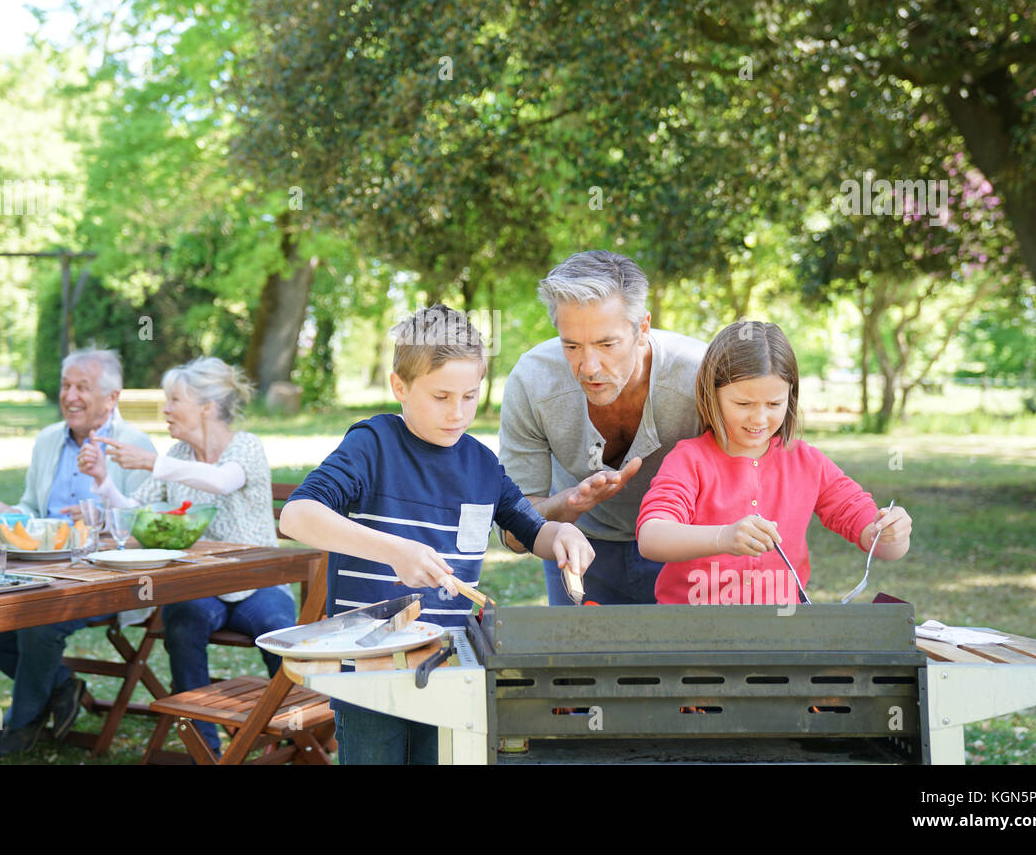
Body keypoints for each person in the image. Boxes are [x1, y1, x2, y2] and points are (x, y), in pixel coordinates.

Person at [280, 305, 595, 765]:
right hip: (370, 673)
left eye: (471, 396)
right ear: (400, 387)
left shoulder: (481, 465)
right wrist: (393, 551)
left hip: (446, 668)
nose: (458, 413)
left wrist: (561, 534)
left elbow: (530, 528)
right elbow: (297, 516)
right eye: (441, 396)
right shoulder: (373, 445)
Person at [78, 357, 295, 756]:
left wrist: (154, 463)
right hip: (202, 587)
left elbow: (223, 481)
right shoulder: (177, 453)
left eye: (174, 399)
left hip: (257, 585)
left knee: (280, 629)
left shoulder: (245, 447)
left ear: (206, 407)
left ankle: (294, 732)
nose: (165, 409)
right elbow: (133, 510)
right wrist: (103, 480)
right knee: (181, 622)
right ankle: (205, 750)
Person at [636, 321, 912, 606]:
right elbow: (652, 537)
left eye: (773, 404)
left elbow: (882, 545)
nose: (758, 419)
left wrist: (891, 533)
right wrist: (724, 537)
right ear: (711, 394)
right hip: (692, 634)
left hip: (781, 635)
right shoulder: (689, 460)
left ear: (790, 397)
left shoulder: (807, 462)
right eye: (743, 404)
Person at [0, 347, 156, 760]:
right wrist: (10, 513)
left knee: (40, 621)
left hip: (107, 573)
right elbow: (33, 509)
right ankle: (60, 685)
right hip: (40, 564)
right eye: (66, 385)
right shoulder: (48, 440)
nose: (70, 396)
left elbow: (142, 520)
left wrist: (99, 518)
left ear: (112, 398)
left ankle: (21, 722)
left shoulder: (133, 444)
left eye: (83, 387)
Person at [498, 250, 706, 606]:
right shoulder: (532, 382)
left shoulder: (700, 377)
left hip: (683, 548)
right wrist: (568, 503)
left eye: (607, 344)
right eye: (572, 346)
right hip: (579, 548)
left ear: (642, 329)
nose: (589, 367)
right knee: (579, 662)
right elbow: (512, 532)